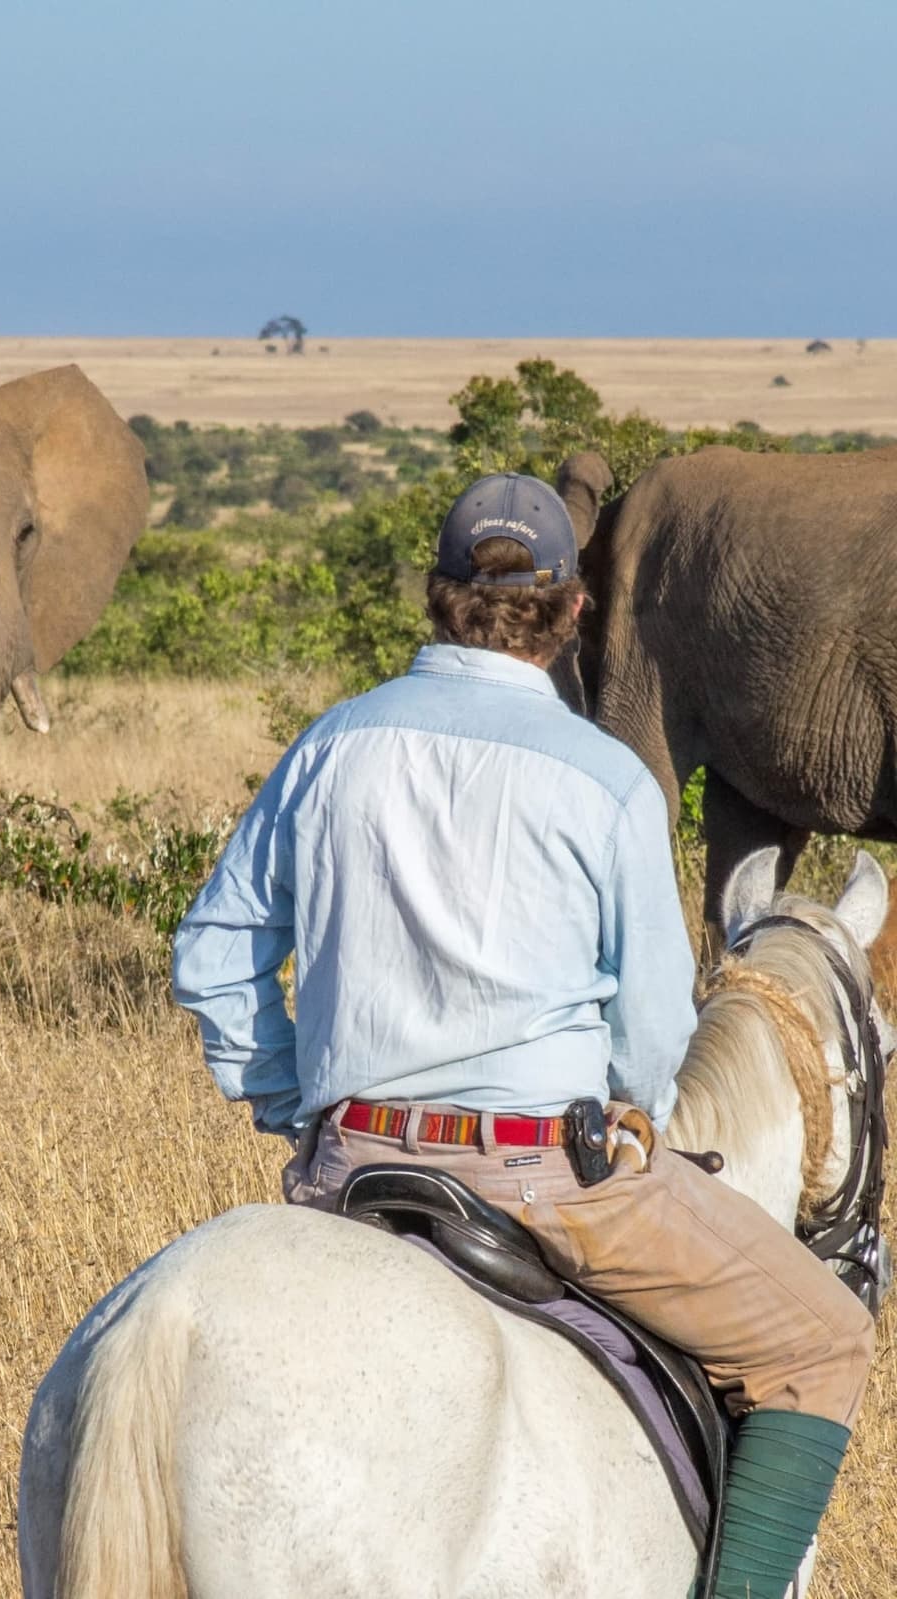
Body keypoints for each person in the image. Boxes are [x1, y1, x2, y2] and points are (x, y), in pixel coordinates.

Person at [173, 472, 875, 1599]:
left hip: (352, 1156)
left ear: (437, 596)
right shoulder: (602, 781)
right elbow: (651, 1036)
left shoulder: (329, 747)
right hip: (547, 1174)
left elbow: (213, 953)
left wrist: (287, 1093)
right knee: (822, 1339)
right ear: (569, 611)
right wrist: (629, 1107)